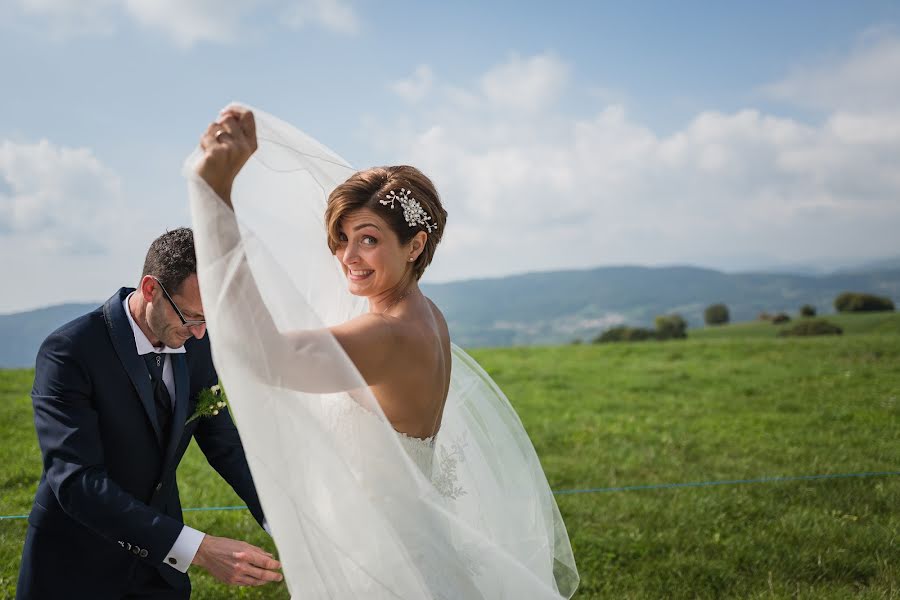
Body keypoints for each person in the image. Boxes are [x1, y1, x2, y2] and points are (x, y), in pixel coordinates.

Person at [187, 105, 579, 598]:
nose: (348, 257)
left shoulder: (387, 335)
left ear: (415, 245)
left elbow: (264, 358)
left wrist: (214, 199)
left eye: (368, 240)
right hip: (411, 541)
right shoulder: (426, 314)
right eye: (343, 238)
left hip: (384, 563)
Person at [17, 228, 283, 599]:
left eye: (209, 320)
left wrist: (282, 525)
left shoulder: (197, 345)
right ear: (150, 289)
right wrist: (197, 549)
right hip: (75, 565)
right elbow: (77, 482)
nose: (201, 332)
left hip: (159, 575)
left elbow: (224, 443)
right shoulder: (70, 351)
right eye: (190, 317)